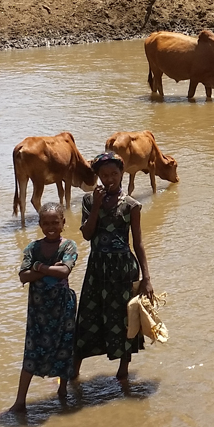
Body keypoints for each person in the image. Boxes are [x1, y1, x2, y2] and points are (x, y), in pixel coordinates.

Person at [73, 151, 153, 382]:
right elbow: (87, 235)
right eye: (104, 175)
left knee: (124, 318)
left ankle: (123, 372)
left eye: (114, 174)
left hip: (123, 269)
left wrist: (146, 278)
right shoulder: (89, 201)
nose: (109, 179)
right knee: (87, 316)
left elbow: (137, 242)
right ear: (97, 176)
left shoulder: (132, 205)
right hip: (97, 267)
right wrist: (97, 206)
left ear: (121, 174)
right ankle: (73, 371)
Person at [8, 203, 78, 414]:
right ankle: (20, 402)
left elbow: (65, 271)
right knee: (31, 352)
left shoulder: (69, 246)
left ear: (63, 223)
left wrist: (38, 267)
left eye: (55, 222)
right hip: (38, 310)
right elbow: (23, 276)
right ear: (39, 224)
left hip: (62, 306)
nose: (50, 227)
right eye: (45, 223)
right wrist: (48, 269)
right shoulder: (32, 248)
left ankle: (62, 391)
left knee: (65, 349)